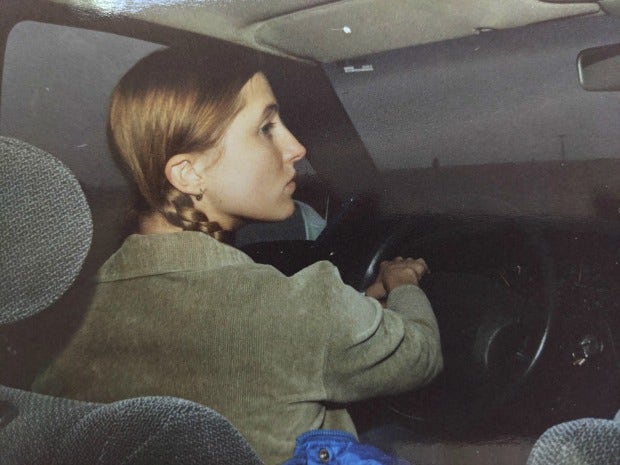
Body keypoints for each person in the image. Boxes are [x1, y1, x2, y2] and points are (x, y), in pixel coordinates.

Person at [31, 47, 443, 465]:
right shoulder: (296, 306)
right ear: (189, 173)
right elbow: (421, 356)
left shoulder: (65, 318)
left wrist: (361, 304)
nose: (297, 147)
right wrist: (402, 284)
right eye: (266, 128)